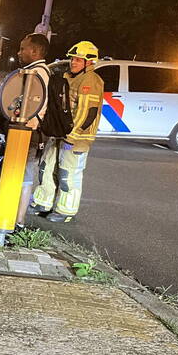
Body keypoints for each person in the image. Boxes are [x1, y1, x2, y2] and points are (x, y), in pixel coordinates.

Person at [30, 40, 105, 223]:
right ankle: (43, 203)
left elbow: (88, 112)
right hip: (59, 134)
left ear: (89, 62)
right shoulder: (69, 76)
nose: (74, 63)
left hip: (76, 139)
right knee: (46, 168)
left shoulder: (91, 80)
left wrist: (72, 135)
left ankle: (65, 210)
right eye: (73, 59)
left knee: (67, 174)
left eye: (79, 60)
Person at [11, 33, 52, 228]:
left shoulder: (37, 73)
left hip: (29, 133)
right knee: (19, 174)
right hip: (26, 132)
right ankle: (14, 217)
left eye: (22, 48)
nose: (19, 53)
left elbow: (34, 106)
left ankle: (18, 221)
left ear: (34, 51)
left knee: (24, 176)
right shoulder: (33, 71)